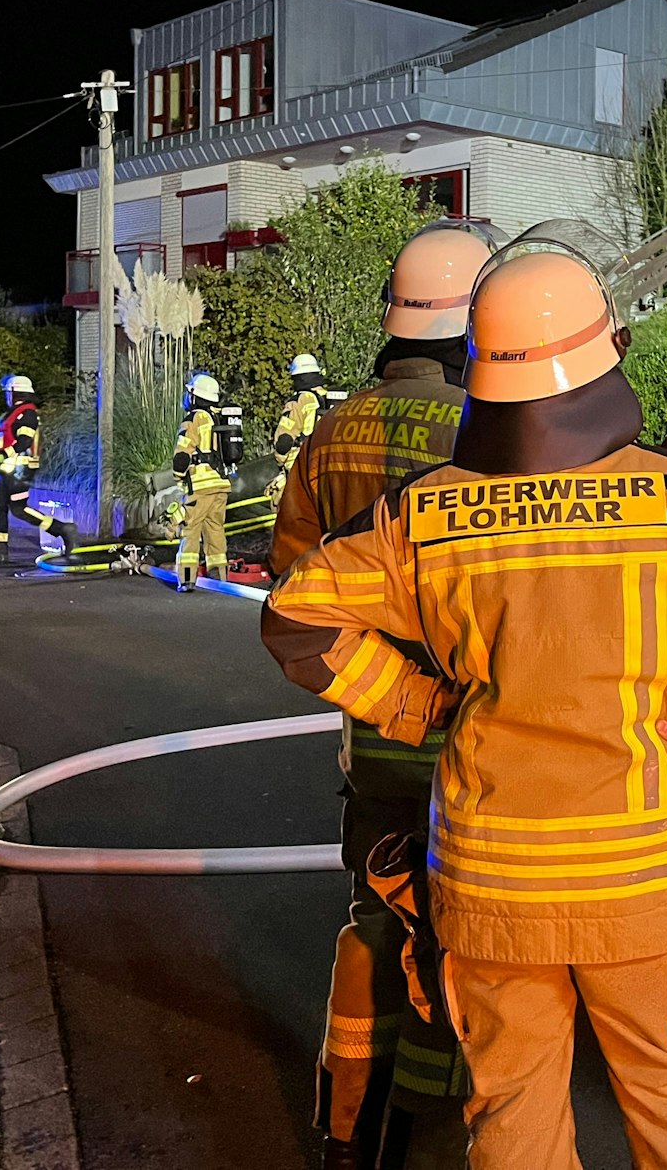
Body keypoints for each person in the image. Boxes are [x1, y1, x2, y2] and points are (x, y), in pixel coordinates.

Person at [263, 239, 667, 1170]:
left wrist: (417, 706)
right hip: (645, 881)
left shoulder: (424, 516)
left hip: (491, 884)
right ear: (606, 352)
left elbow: (297, 617)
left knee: (514, 1112)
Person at [269, 221, 493, 1170]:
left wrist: (380, 698)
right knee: (454, 938)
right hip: (468, 739)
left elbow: (294, 591)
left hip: (374, 736)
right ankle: (424, 1126)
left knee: (372, 918)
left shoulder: (330, 432)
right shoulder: (486, 437)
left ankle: (346, 1123)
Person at [0, 374, 76, 564]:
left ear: (15, 393)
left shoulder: (27, 414)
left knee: (18, 509)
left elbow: (24, 441)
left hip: (19, 470)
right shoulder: (15, 413)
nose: (6, 397)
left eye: (8, 393)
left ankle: (62, 529)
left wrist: (3, 455)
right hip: (7, 470)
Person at [171, 373, 242, 591]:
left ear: (195, 396)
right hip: (221, 485)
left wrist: (178, 476)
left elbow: (182, 456)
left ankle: (187, 579)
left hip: (200, 486)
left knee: (190, 531)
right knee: (215, 531)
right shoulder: (218, 417)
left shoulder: (193, 419)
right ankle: (219, 579)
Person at [267, 353, 330, 507]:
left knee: (287, 513)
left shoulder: (299, 401)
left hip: (300, 467)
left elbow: (284, 439)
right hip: (326, 465)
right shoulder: (329, 398)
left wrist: (280, 462)